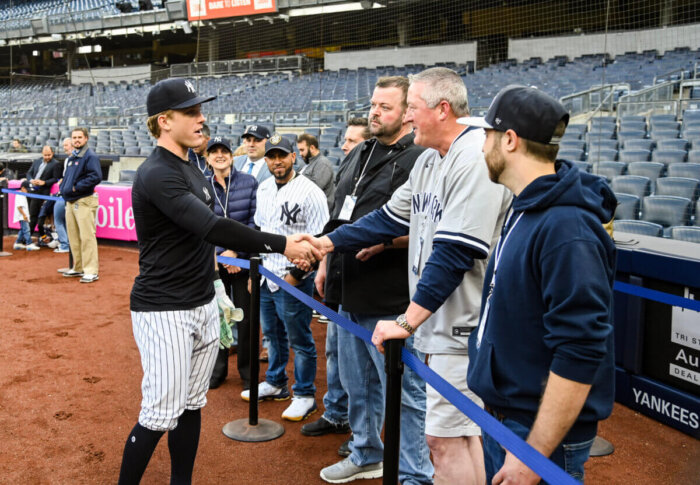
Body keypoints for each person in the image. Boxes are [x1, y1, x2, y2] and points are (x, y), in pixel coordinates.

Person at [301, 67, 511, 485]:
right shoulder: (432, 158)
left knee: (447, 440)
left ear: (443, 109)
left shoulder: (474, 156)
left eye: (412, 108)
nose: (409, 117)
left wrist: (406, 319)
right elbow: (386, 218)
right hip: (442, 324)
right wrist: (328, 244)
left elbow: (455, 253)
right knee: (457, 439)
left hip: (465, 326)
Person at [117, 78, 319, 485]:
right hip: (164, 309)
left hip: (202, 301)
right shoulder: (156, 172)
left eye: (200, 109)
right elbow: (212, 226)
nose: (201, 117)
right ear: (163, 121)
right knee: (159, 414)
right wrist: (283, 244)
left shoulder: (191, 164)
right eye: (190, 111)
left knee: (192, 405)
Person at [459, 85, 617, 484]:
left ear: (509, 140)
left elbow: (580, 350)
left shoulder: (567, 227)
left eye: (487, 136)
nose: (482, 148)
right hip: (508, 418)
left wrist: (534, 454)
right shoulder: (527, 207)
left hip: (536, 436)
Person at [312, 76, 433, 485]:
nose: (375, 112)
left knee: (406, 394)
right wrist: (327, 262)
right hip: (349, 288)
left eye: (386, 107)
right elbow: (340, 213)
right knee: (356, 382)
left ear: (405, 114)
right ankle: (366, 452)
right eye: (374, 105)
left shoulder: (420, 158)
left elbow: (426, 227)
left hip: (392, 297)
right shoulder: (360, 150)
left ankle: (414, 474)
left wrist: (386, 244)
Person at [241, 134, 329, 422]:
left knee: (300, 339)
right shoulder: (264, 188)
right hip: (267, 275)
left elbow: (320, 243)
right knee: (272, 335)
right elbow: (258, 233)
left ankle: (304, 394)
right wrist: (256, 271)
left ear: (294, 157)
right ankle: (276, 382)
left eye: (282, 155)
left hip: (293, 279)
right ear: (265, 159)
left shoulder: (310, 192)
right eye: (271, 156)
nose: (277, 161)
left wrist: (294, 276)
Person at [206, 136, 259, 390]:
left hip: (244, 263)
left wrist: (236, 252)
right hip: (216, 265)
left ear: (231, 155)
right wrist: (222, 254)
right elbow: (201, 226)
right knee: (217, 318)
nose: (219, 155)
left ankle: (249, 375)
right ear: (207, 158)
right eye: (213, 152)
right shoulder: (202, 187)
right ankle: (217, 371)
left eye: (224, 151)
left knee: (247, 320)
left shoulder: (249, 182)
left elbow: (253, 222)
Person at [59, 128, 102, 283]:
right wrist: (64, 188)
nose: (76, 140)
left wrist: (76, 187)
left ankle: (91, 270)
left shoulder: (90, 156)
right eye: (74, 137)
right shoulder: (72, 158)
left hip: (84, 200)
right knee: (74, 237)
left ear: (86, 138)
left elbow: (96, 176)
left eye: (79, 137)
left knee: (87, 237)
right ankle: (78, 267)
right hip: (70, 201)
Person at [25, 145, 62, 245]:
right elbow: (29, 173)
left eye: (49, 155)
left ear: (52, 153)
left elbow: (56, 178)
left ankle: (27, 238)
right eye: (45, 155)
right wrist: (31, 180)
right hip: (31, 190)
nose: (47, 157)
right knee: (30, 215)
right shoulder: (37, 161)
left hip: (42, 193)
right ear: (42, 154)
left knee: (34, 216)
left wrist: (44, 182)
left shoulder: (56, 164)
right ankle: (28, 237)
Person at [297, 133, 335, 211]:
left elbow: (312, 190)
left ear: (312, 148)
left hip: (319, 212)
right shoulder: (306, 165)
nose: (300, 154)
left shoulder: (323, 163)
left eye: (302, 150)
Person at [52, 138, 73, 255]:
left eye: (66, 145)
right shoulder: (66, 160)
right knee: (63, 220)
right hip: (65, 194)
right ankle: (67, 244)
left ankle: (65, 245)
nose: (64, 147)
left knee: (58, 220)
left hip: (65, 195)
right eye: (64, 145)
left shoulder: (73, 160)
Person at [13, 180, 40, 251]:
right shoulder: (20, 195)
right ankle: (29, 244)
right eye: (27, 189)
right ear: (22, 188)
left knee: (23, 229)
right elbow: (19, 207)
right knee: (27, 230)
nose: (27, 191)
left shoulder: (22, 194)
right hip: (22, 216)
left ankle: (18, 243)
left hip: (23, 216)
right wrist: (24, 215)